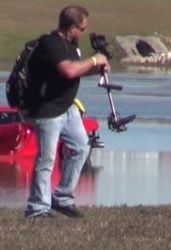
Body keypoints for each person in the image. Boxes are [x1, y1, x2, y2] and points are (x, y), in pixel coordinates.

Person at [24, 5, 109, 218]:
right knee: (47, 160)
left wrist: (97, 68)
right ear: (71, 27)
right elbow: (69, 70)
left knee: (81, 147)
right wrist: (93, 60)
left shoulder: (70, 44)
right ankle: (37, 209)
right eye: (82, 28)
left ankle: (62, 197)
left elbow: (74, 71)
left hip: (67, 107)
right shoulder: (51, 44)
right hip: (47, 111)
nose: (83, 32)